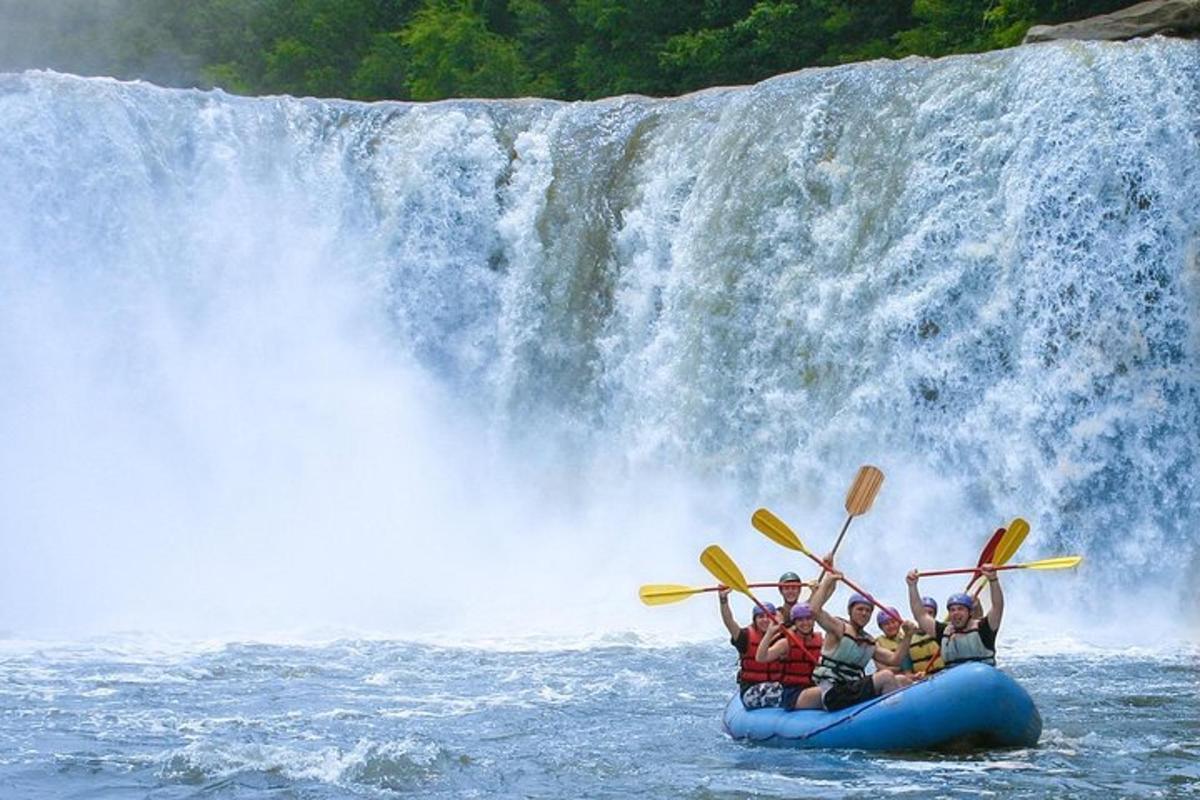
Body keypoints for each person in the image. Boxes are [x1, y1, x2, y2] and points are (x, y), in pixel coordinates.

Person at [791, 571, 916, 711]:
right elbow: (814, 610)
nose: (864, 613)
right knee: (886, 676)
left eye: (868, 611)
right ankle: (894, 721)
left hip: (851, 688)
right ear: (850, 611)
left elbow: (895, 659)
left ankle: (909, 716)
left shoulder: (869, 641)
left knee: (903, 680)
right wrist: (827, 581)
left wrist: (908, 636)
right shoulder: (838, 627)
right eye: (860, 609)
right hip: (833, 692)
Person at [907, 565, 1003, 668]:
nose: (956, 613)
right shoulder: (944, 631)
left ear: (970, 612)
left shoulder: (984, 627)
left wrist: (993, 580)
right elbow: (920, 615)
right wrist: (912, 586)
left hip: (982, 675)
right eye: (952, 610)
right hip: (954, 678)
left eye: (960, 609)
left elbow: (997, 606)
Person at [718, 588, 786, 709]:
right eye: (760, 617)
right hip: (751, 691)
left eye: (768, 616)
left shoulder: (783, 637)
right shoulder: (745, 637)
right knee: (783, 691)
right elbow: (729, 621)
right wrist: (723, 600)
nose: (765, 620)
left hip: (775, 685)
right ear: (754, 620)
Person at [755, 602, 824, 693]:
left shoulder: (821, 641)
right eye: (800, 620)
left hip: (811, 686)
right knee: (824, 691)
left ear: (814, 620)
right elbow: (761, 658)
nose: (805, 623)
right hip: (791, 691)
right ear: (794, 622)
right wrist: (770, 633)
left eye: (808, 619)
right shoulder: (786, 643)